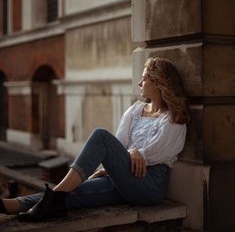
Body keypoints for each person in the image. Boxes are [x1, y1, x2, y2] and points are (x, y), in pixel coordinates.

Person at [0, 57, 190, 222]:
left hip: (148, 185)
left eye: (144, 78)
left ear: (157, 83)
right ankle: (10, 205)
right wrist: (110, 168)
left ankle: (53, 198)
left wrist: (135, 153)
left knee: (101, 136)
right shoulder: (135, 111)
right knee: (73, 192)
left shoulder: (173, 119)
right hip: (124, 178)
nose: (140, 83)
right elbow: (121, 145)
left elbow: (157, 152)